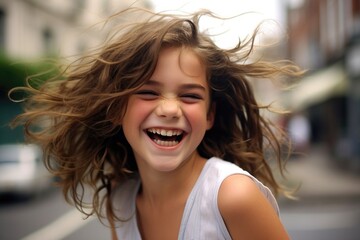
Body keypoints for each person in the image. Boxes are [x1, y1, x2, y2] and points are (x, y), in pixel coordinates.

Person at [10, 8, 303, 240]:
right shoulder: (122, 200)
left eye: (189, 96)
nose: (169, 109)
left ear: (210, 115)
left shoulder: (233, 197)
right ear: (116, 108)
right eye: (148, 92)